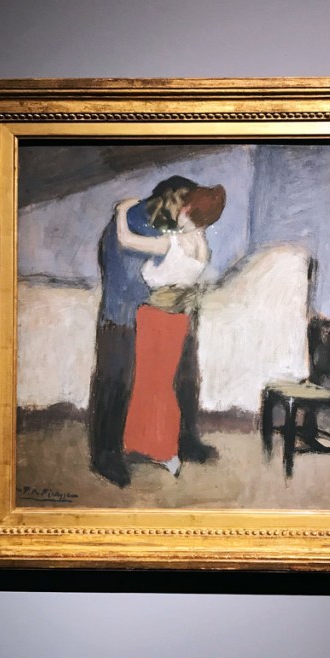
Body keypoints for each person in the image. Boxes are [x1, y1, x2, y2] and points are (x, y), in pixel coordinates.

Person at [88, 176, 217, 487]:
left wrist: (178, 299)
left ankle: (185, 440)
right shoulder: (137, 221)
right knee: (117, 381)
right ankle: (107, 455)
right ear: (169, 197)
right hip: (124, 315)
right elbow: (126, 275)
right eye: (183, 202)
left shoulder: (171, 227)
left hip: (162, 314)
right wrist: (165, 299)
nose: (185, 210)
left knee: (183, 376)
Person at [115, 185, 226, 477]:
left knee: (151, 384)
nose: (178, 210)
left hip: (155, 317)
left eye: (183, 206)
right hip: (177, 319)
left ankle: (164, 450)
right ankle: (150, 446)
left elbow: (125, 239)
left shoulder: (173, 243)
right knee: (161, 383)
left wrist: (122, 210)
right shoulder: (203, 247)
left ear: (189, 210)